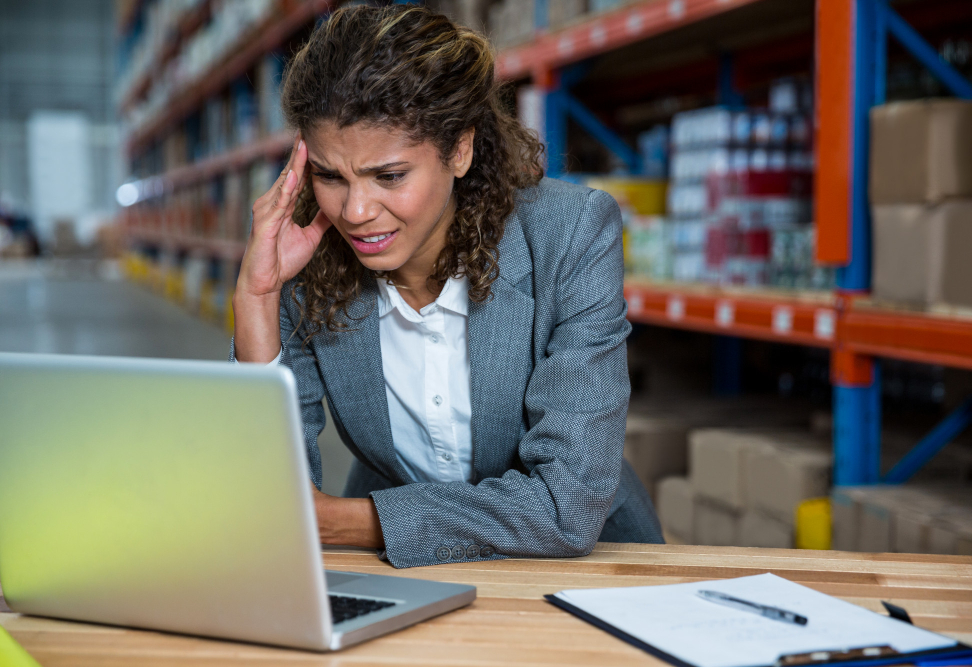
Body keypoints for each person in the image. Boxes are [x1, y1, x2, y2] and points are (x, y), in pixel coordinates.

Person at [232, 4, 663, 568]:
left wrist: (356, 520)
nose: (355, 211)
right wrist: (258, 301)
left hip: (585, 566)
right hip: (403, 567)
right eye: (330, 176)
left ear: (460, 149)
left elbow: (567, 506)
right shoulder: (304, 262)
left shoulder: (569, 234)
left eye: (389, 176)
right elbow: (273, 502)